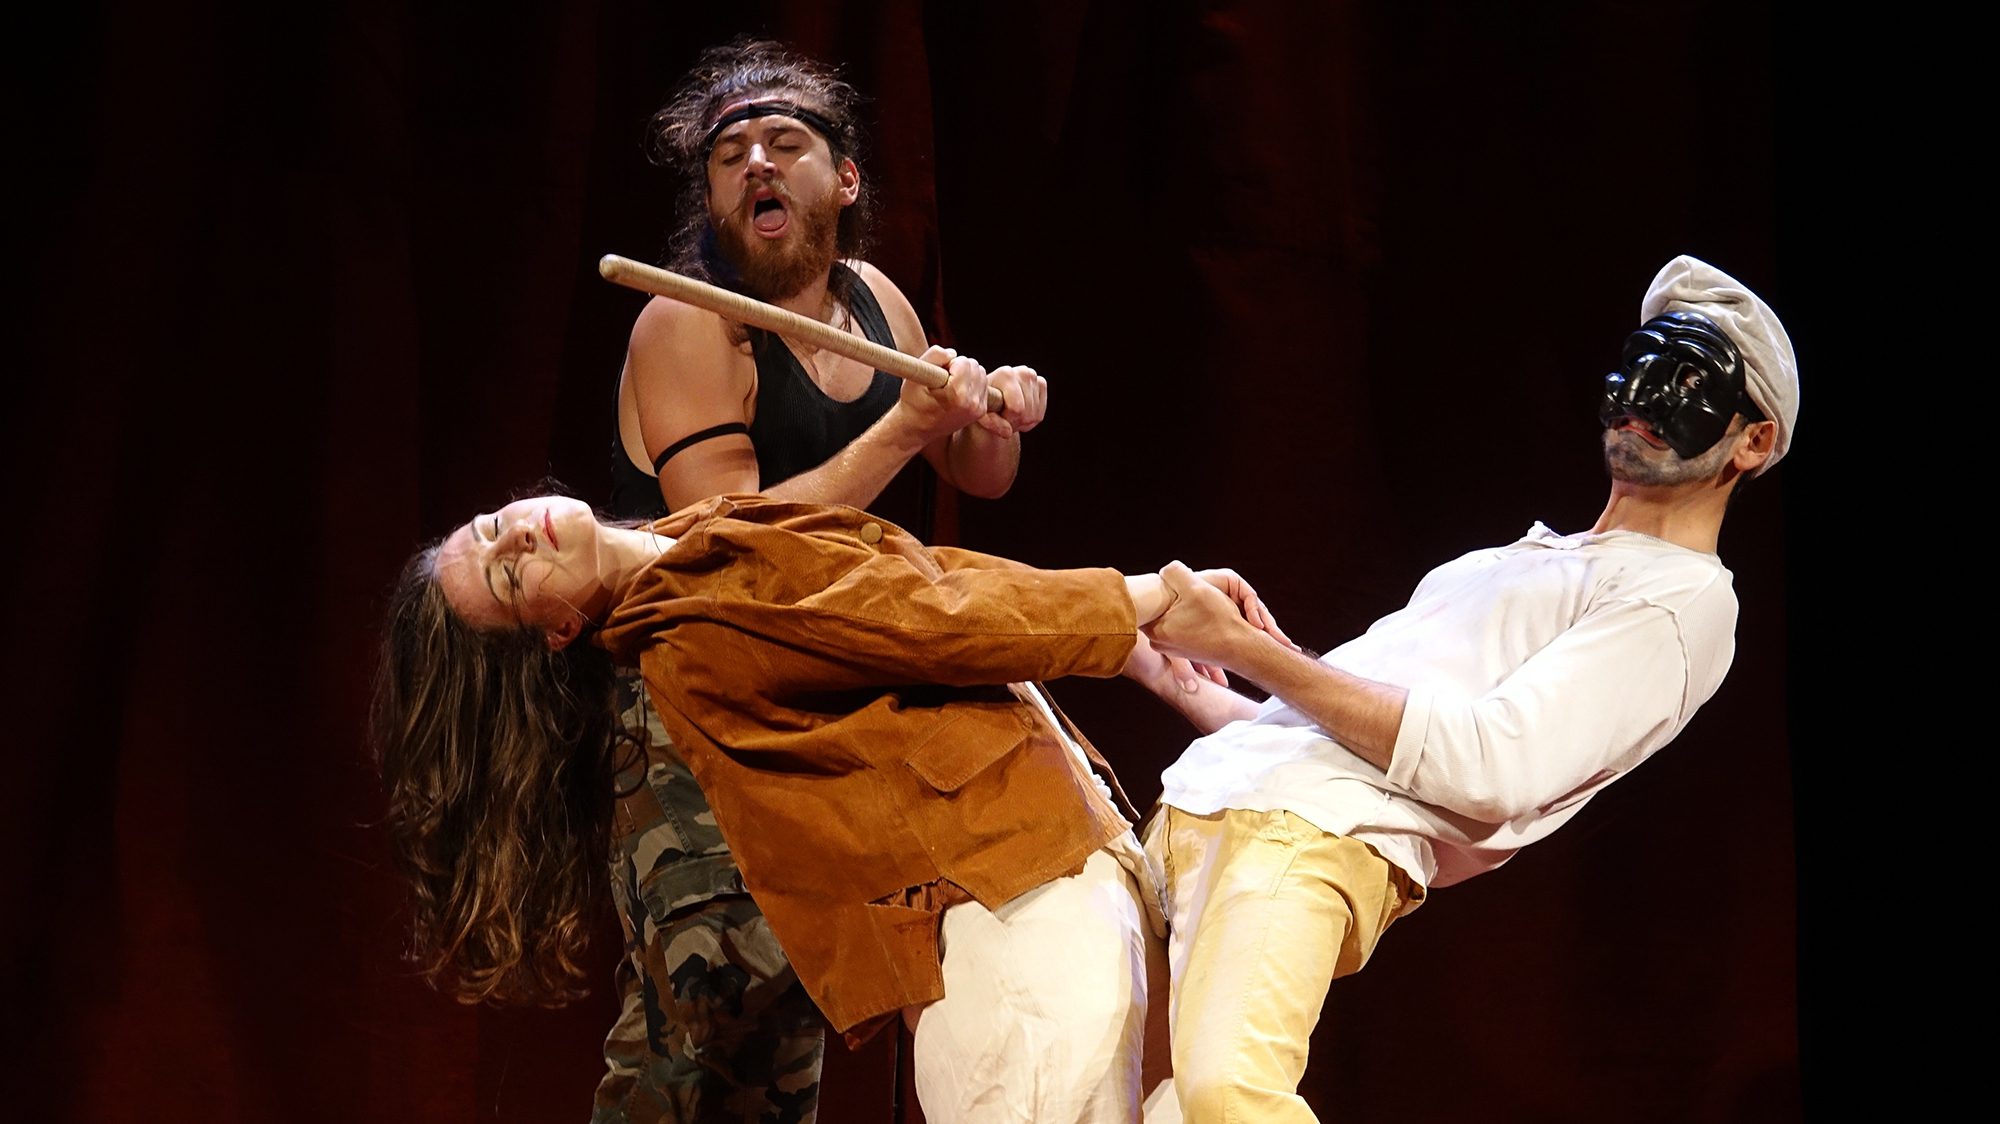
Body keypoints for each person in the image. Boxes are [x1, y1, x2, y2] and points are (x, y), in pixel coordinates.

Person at [1130, 254, 1801, 1123]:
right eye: (1640, 362)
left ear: (1753, 441)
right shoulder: (1512, 562)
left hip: (1309, 836)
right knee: (1128, 1105)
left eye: (1688, 380)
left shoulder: (1681, 598)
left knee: (1229, 1097)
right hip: (1204, 806)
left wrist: (1250, 651)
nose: (1645, 393)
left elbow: (1492, 766)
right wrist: (1192, 684)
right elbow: (1343, 739)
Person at [371, 491, 1288, 1123]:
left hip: (1055, 881)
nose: (515, 540)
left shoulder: (702, 537)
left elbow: (925, 578)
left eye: (490, 528)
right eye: (506, 576)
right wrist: (1142, 603)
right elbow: (921, 615)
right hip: (1017, 927)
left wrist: (1141, 649)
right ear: (558, 630)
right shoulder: (686, 636)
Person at [601, 39, 1048, 1122]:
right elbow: (731, 543)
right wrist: (904, 426)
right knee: (703, 1017)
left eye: (783, 143)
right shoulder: (687, 320)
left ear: (843, 180)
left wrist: (993, 416)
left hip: (825, 697)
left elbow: (974, 472)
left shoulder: (875, 301)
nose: (754, 163)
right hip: (696, 706)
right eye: (729, 157)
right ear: (714, 199)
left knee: (792, 1014)